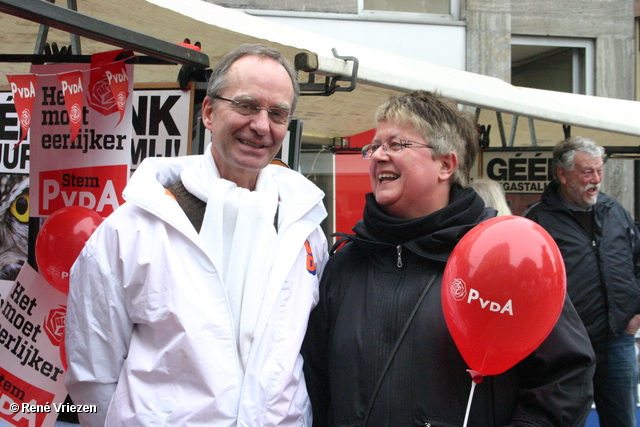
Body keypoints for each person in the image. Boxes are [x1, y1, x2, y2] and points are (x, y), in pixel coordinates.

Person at [65, 43, 328, 426]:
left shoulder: (303, 230)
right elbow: (93, 376)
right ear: (208, 111)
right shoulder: (131, 230)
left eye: (277, 113)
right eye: (246, 105)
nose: (261, 125)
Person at [302, 90, 595, 426]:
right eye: (375, 146)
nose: (378, 156)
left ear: (445, 164)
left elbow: (565, 377)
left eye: (396, 144)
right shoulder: (346, 263)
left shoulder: (500, 257)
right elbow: (314, 383)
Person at [525, 136, 640, 427]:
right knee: (564, 419)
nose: (596, 179)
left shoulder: (615, 212)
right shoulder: (539, 221)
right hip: (567, 347)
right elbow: (527, 284)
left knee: (623, 420)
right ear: (562, 175)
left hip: (618, 340)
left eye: (599, 171)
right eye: (587, 172)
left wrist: (635, 314)